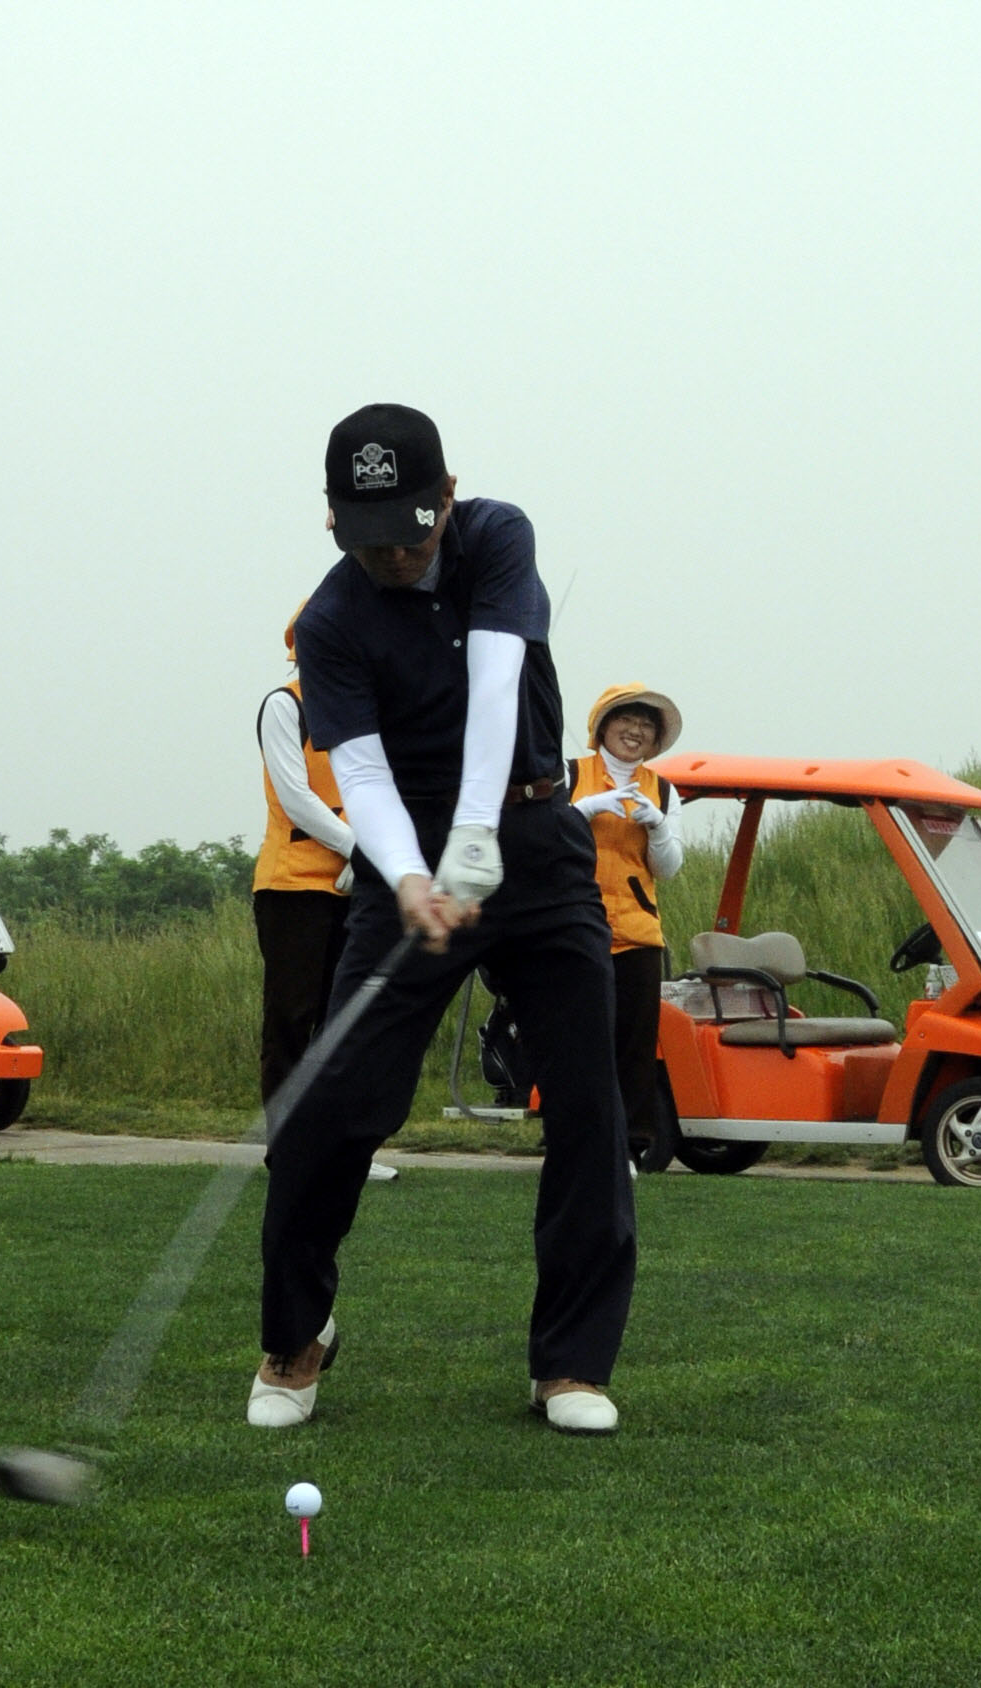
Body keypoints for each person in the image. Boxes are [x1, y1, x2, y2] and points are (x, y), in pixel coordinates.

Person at [250, 403, 636, 1436]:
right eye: (371, 538)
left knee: (589, 1104)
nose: (395, 555)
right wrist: (413, 874)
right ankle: (296, 1336)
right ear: (333, 520)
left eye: (412, 532)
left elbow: (496, 684)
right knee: (331, 1105)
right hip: (410, 855)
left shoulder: (498, 535)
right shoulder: (331, 621)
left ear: (448, 497)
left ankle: (570, 1365)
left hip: (537, 840)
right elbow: (361, 774)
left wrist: (477, 835)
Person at [569, 685, 685, 1171]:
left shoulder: (663, 790)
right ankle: (574, 1141)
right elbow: (543, 838)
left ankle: (630, 1147)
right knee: (578, 1040)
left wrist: (658, 826)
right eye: (626, 720)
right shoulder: (570, 775)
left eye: (646, 725)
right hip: (576, 924)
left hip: (638, 933)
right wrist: (583, 811)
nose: (635, 731)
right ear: (603, 726)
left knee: (635, 1046)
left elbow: (668, 868)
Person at [251, 611, 354, 1103]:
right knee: (293, 1016)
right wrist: (359, 848)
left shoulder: (361, 711)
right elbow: (296, 798)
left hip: (354, 886)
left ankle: (335, 1135)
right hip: (293, 886)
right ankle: (285, 1135)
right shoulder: (284, 705)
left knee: (343, 1017)